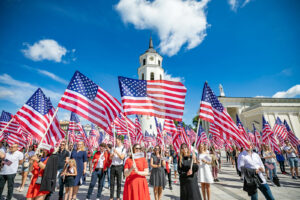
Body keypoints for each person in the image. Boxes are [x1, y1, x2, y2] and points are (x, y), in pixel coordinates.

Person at [110, 135, 126, 200]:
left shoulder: (123, 148)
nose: (116, 142)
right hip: (113, 166)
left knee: (119, 183)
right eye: (115, 141)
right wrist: (113, 154)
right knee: (112, 183)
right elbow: (110, 158)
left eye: (117, 141)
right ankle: (111, 196)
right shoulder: (113, 148)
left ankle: (118, 197)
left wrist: (117, 152)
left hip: (119, 166)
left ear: (120, 141)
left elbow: (122, 157)